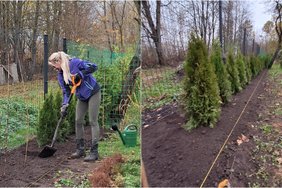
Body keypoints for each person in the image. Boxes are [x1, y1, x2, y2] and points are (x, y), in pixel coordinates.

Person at [48, 51, 101, 162]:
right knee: (78, 120)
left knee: (92, 121)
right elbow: (66, 92)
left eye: (54, 65)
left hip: (93, 92)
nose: (54, 68)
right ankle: (80, 150)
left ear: (59, 61)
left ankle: (94, 152)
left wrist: (80, 74)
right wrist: (64, 105)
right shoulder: (60, 75)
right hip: (82, 97)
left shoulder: (75, 63)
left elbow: (94, 67)